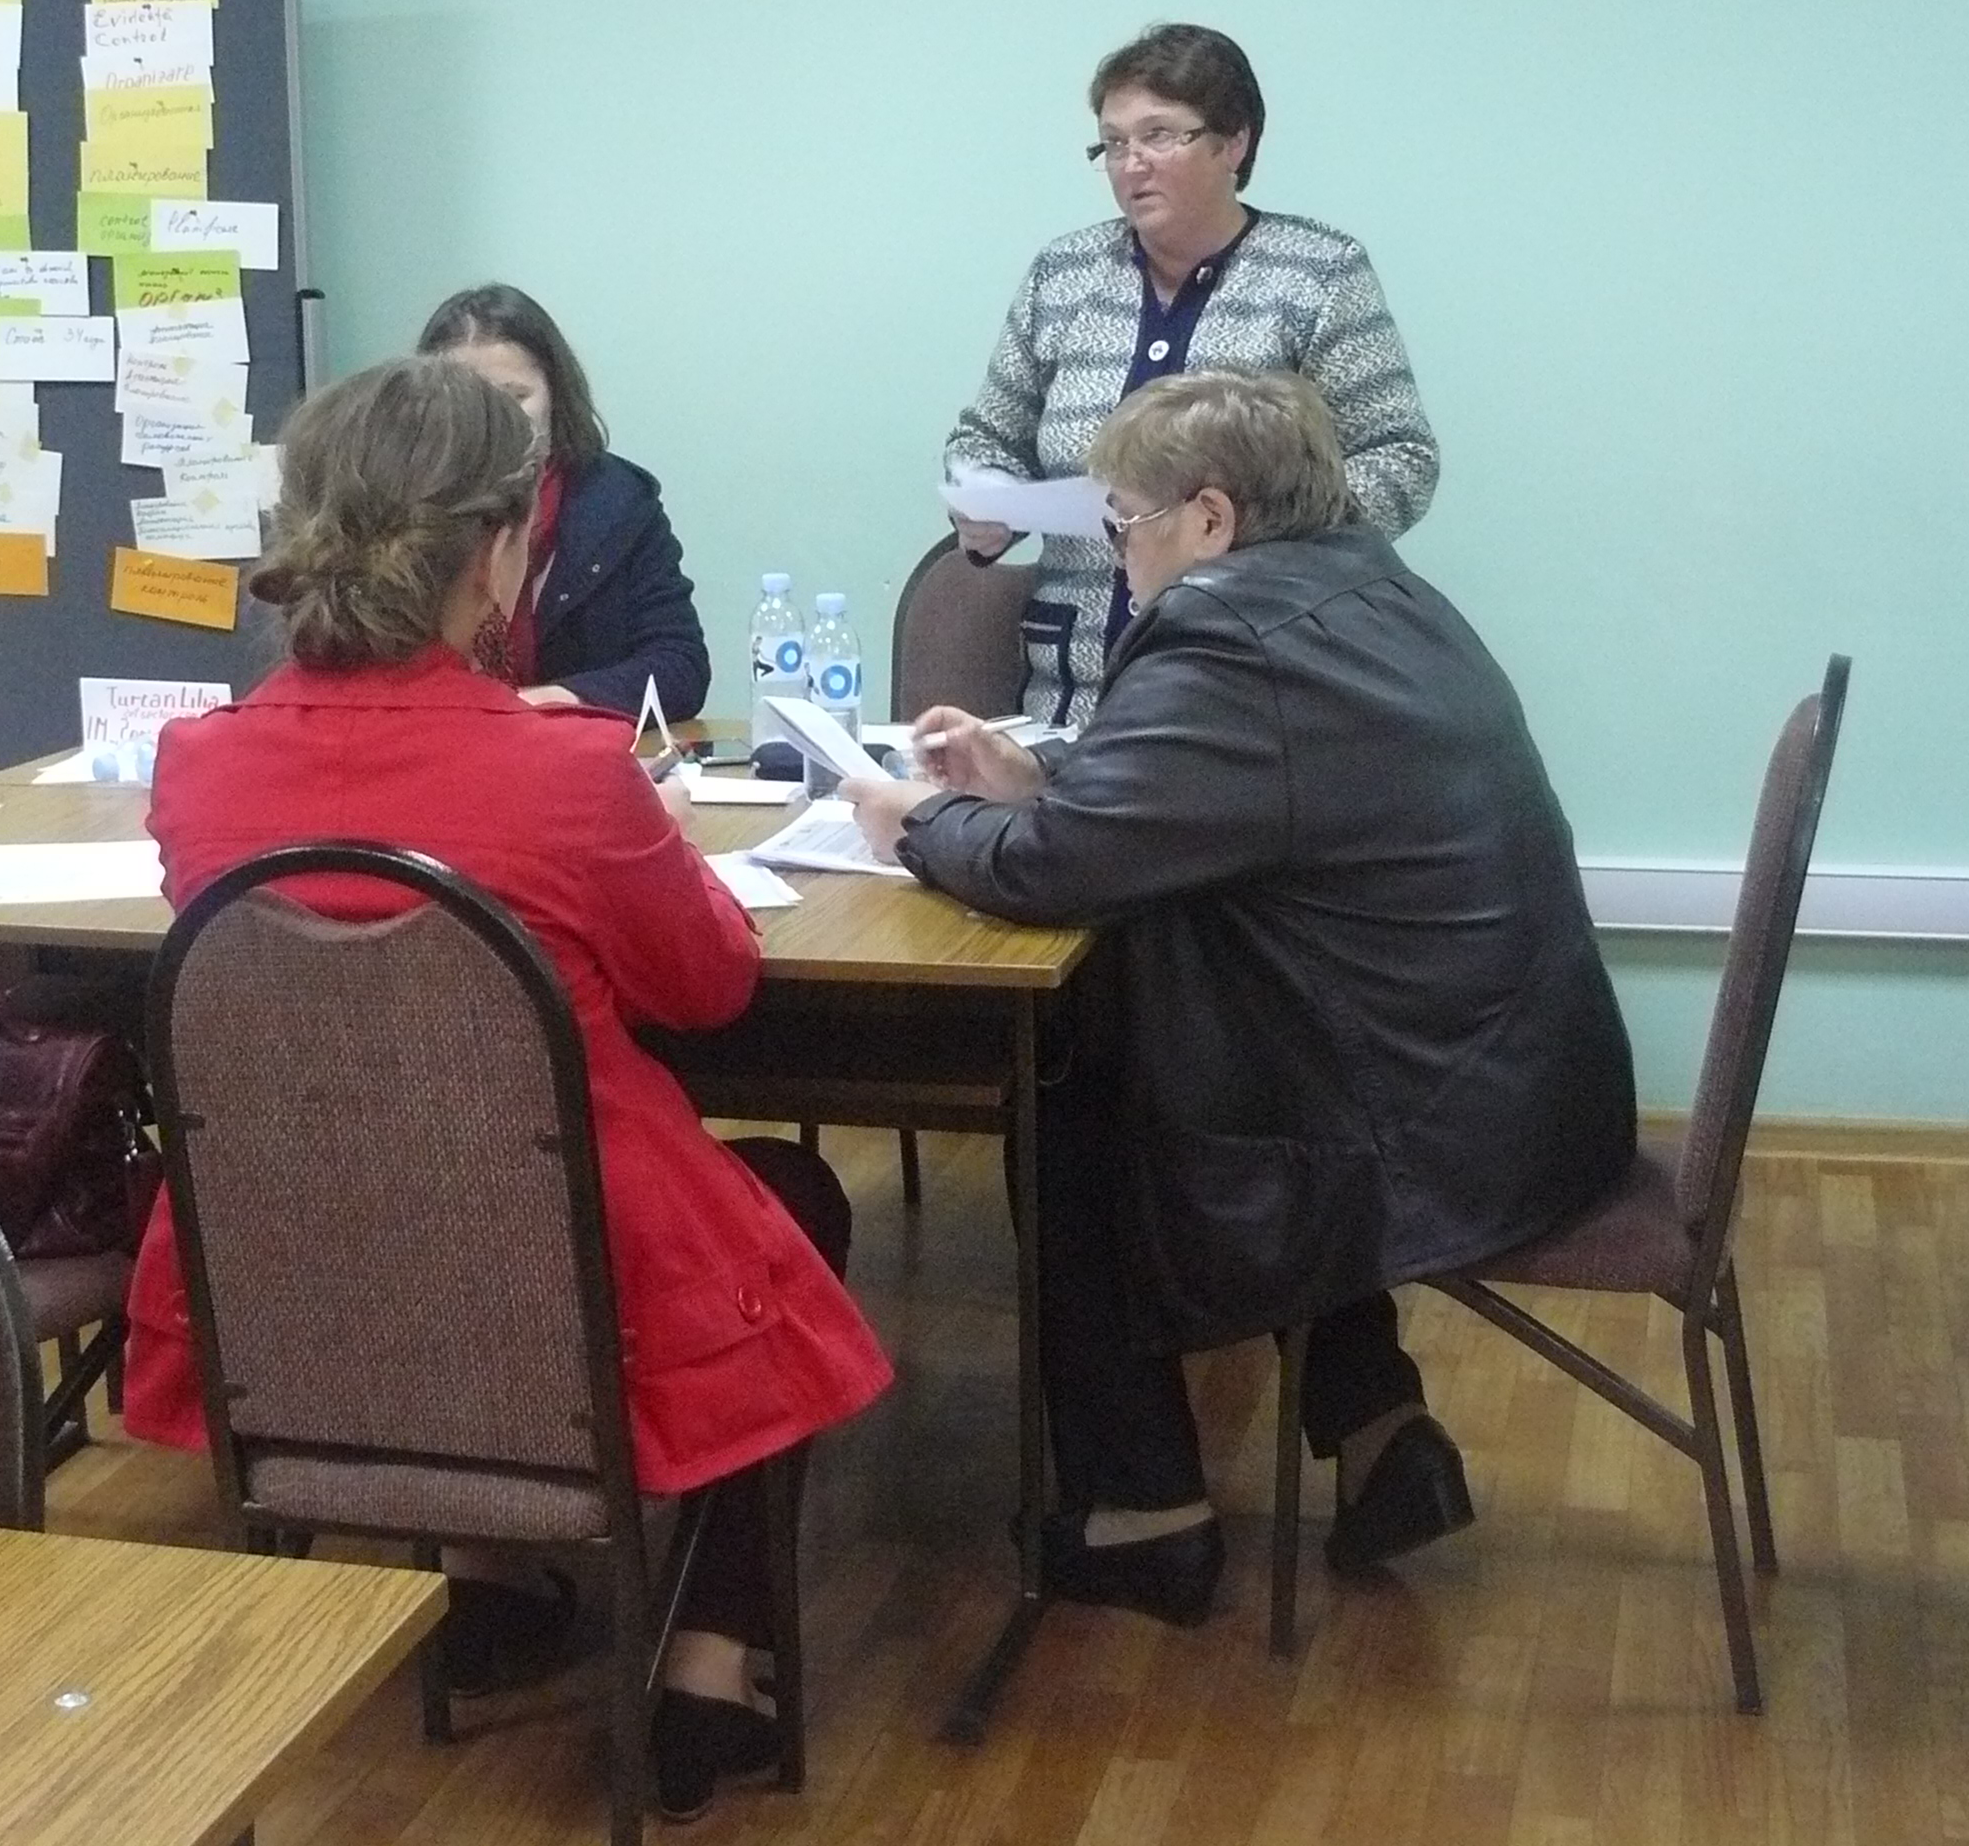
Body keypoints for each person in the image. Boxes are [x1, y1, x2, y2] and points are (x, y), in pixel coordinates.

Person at [126, 356, 889, 1819]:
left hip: (292, 1259)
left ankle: (490, 1575)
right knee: (788, 1197)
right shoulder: (570, 773)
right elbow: (707, 988)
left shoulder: (198, 766)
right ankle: (706, 1667)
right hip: (557, 1254)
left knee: (413, 1189)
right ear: (498, 553)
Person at [847, 371, 1630, 1625]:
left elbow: (1055, 872)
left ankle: (1144, 1511)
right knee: (1170, 1041)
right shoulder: (1366, 589)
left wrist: (917, 821)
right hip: (1518, 1079)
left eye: (1124, 523)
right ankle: (1375, 1426)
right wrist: (1034, 776)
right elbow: (1208, 795)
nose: (1118, 554)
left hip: (1427, 1118)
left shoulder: (1230, 634)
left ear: (1209, 518)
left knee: (1075, 1089)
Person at [943, 23, 1437, 727]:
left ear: (1233, 143)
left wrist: (1251, 535)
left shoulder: (1318, 274)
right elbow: (986, 437)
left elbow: (1401, 460)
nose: (1131, 164)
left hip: (1253, 680)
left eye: (1158, 135)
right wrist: (985, 501)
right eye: (1113, 143)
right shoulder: (1064, 275)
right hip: (1072, 691)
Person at [417, 283, 708, 722]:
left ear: (555, 395)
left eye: (515, 397)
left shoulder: (619, 501)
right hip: (438, 738)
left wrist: (554, 699)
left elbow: (680, 666)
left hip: (569, 740)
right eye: (471, 402)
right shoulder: (403, 505)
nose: (495, 421)